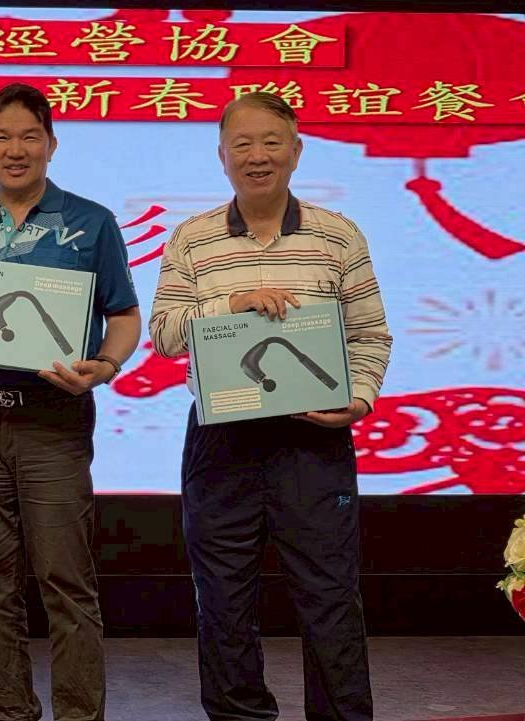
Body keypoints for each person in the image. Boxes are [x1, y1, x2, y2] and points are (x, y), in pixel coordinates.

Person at [148, 91, 392, 721]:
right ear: (222, 157)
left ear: (296, 150)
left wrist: (360, 400)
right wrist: (229, 306)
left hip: (313, 439)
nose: (257, 156)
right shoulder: (192, 239)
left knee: (330, 597)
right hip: (221, 439)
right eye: (242, 144)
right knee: (223, 599)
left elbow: (370, 334)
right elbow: (165, 335)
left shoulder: (338, 235)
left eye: (271, 142)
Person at [0, 82, 141, 721]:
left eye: (29, 137)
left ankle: (78, 714)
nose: (16, 150)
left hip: (54, 414)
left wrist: (106, 366)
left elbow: (124, 314)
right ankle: (11, 711)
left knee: (65, 579)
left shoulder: (90, 222)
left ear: (51, 144)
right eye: (2, 137)